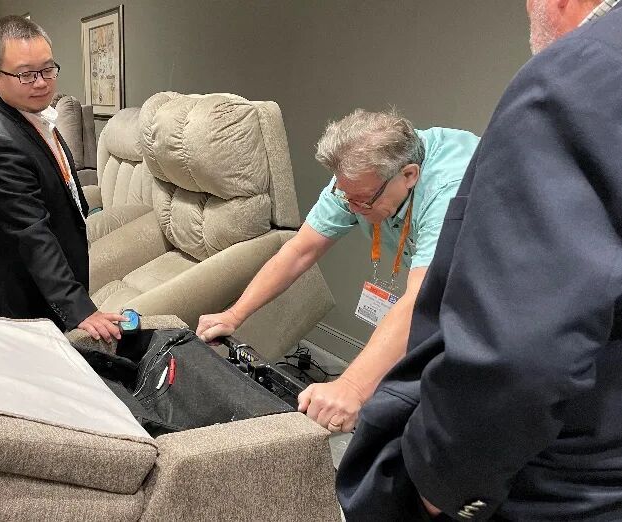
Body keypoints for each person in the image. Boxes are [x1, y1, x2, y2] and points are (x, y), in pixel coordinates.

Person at [336, 1, 622, 520]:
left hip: (562, 486)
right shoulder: (356, 178)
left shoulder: (572, 82)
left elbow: (520, 353)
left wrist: (441, 485)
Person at [197, 110, 478, 433]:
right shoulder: (358, 178)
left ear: (409, 175)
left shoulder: (448, 191)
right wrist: (234, 315)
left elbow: (421, 300)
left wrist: (352, 387)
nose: (352, 207)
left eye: (363, 201)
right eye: (347, 197)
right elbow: (300, 251)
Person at [0, 16, 124, 341]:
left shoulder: (35, 116)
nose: (41, 83)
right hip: (29, 298)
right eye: (26, 74)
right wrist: (80, 308)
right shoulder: (1, 144)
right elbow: (32, 235)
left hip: (56, 278)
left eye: (47, 69)